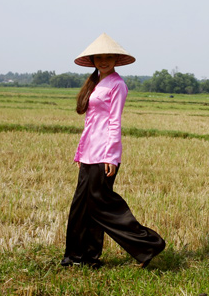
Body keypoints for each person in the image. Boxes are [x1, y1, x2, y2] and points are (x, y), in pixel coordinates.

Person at [61, 33, 165, 268]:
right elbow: (91, 123)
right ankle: (81, 256)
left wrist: (111, 156)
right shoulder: (95, 82)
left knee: (103, 205)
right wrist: (80, 152)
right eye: (100, 57)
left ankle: (149, 244)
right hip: (89, 153)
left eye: (109, 57)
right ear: (94, 59)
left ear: (116, 60)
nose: (104, 61)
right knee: (81, 206)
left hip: (104, 155)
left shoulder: (117, 84)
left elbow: (114, 122)